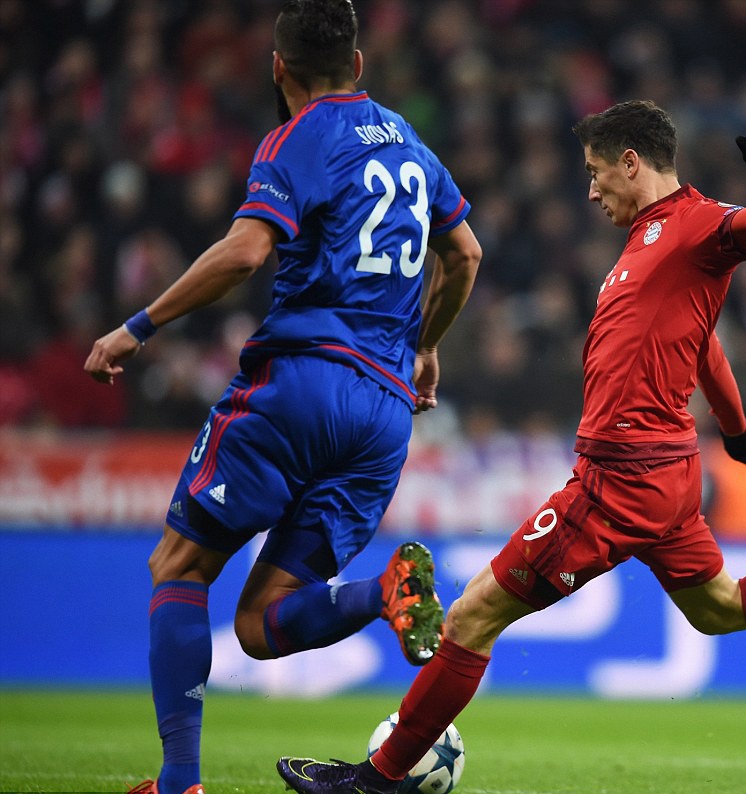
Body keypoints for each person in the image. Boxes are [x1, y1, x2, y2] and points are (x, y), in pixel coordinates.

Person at [274, 101, 746, 794]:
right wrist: (735, 428)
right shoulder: (650, 242)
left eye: (595, 172)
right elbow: (704, 348)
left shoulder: (698, 225)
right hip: (668, 472)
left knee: (471, 616)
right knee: (721, 607)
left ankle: (377, 779)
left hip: (620, 476)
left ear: (631, 163)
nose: (591, 190)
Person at [84, 2, 482, 794]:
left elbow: (245, 252)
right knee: (261, 625)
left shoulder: (297, 138)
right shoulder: (409, 142)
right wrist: (426, 345)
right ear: (358, 65)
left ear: (278, 68)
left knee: (179, 564)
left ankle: (179, 783)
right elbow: (465, 252)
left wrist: (138, 326)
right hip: (384, 416)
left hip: (300, 384)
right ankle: (385, 593)